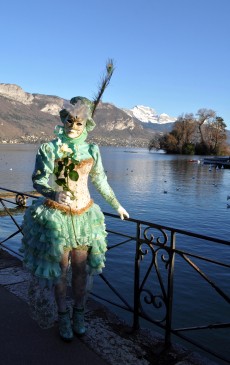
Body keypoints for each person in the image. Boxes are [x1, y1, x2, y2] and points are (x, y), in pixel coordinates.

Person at [21, 64, 129, 342]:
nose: (73, 126)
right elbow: (38, 180)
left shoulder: (92, 149)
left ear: (86, 125)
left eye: (79, 122)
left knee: (81, 270)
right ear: (63, 119)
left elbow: (101, 181)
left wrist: (116, 204)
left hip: (84, 217)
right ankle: (62, 316)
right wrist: (52, 193)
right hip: (57, 216)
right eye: (69, 120)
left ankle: (79, 312)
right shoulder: (48, 148)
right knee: (60, 270)